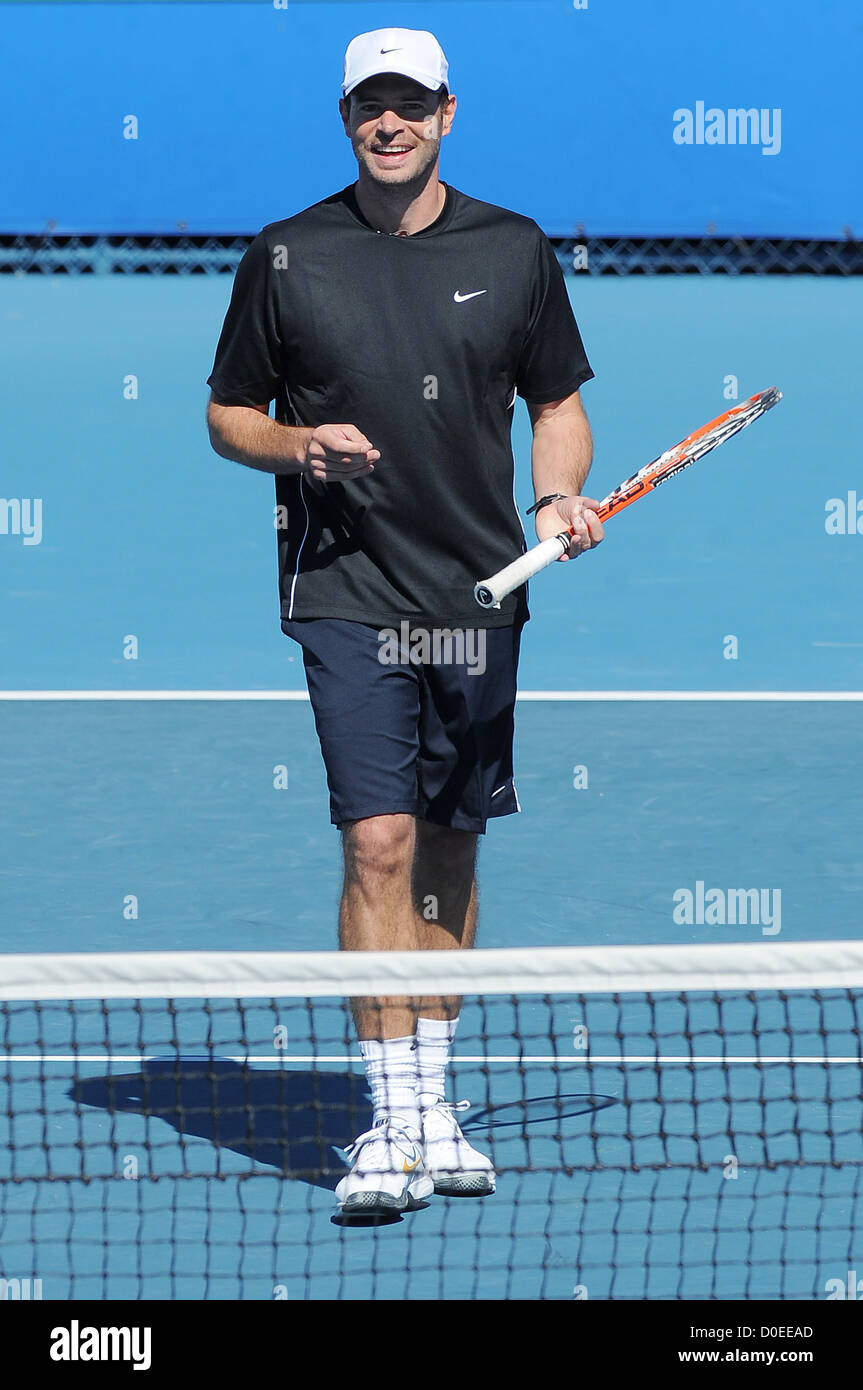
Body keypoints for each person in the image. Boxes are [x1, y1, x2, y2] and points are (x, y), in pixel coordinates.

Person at [206, 27, 602, 1217]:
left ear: (445, 112)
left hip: (478, 593)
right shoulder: (285, 255)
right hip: (346, 590)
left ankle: (434, 1102)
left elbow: (557, 404)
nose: (389, 123)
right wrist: (296, 443)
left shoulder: (516, 250)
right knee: (375, 841)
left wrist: (557, 496)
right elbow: (230, 417)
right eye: (368, 105)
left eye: (410, 104)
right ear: (344, 118)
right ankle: (387, 1122)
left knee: (449, 845)